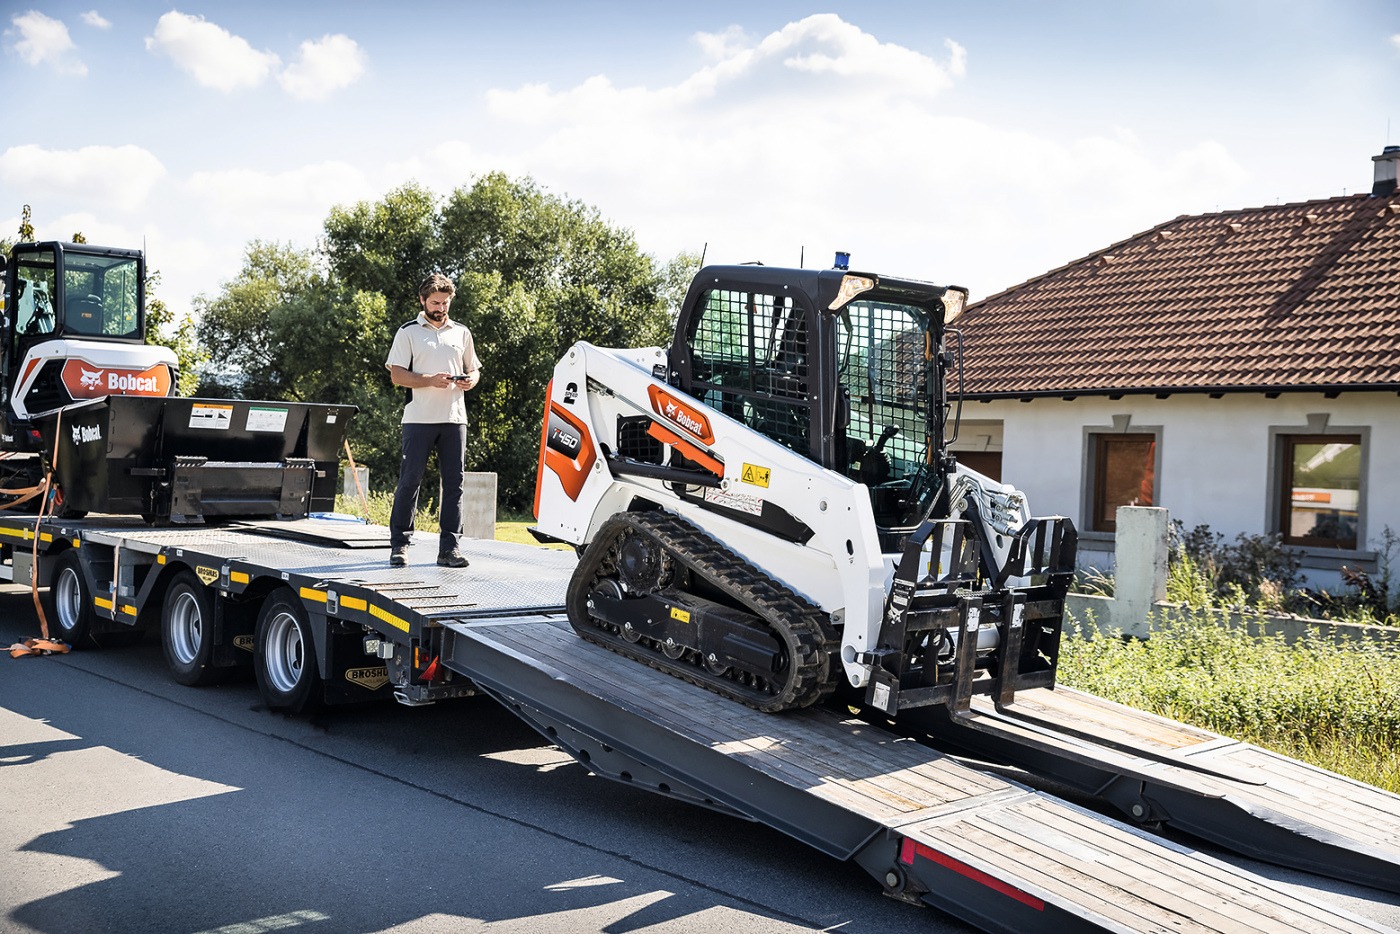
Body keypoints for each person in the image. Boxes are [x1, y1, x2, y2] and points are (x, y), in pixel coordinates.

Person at [384, 273, 482, 568]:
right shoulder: (408, 332)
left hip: (454, 419)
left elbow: (474, 370)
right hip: (418, 420)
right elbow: (397, 374)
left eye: (445, 302)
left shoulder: (462, 332)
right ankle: (399, 546)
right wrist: (429, 380)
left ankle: (449, 550)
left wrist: (470, 381)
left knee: (455, 484)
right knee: (410, 481)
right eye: (435, 302)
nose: (441, 307)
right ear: (423, 300)